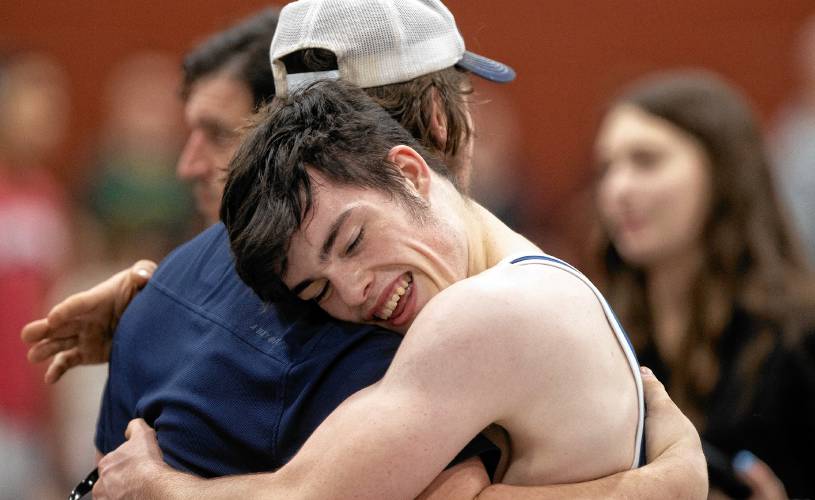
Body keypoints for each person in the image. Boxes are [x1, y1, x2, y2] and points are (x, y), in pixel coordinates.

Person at [25, 1, 706, 497]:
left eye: (350, 240)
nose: (352, 292)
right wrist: (672, 477)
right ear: (444, 118)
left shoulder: (186, 279)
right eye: (316, 287)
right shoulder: (457, 305)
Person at [592, 70, 815, 499]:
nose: (617, 188)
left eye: (646, 160)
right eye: (606, 167)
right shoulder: (598, 326)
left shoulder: (799, 335)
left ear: (723, 170)